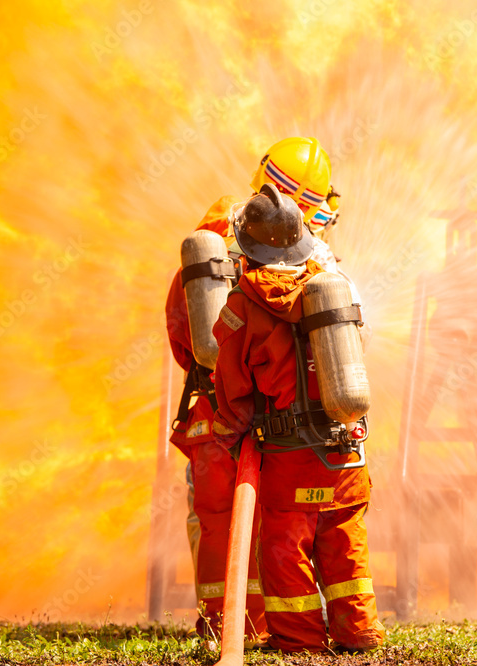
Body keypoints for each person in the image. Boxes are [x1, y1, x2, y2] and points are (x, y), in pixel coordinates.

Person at [164, 137, 340, 640]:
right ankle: (285, 625)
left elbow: (186, 331)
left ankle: (229, 628)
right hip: (286, 416)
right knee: (286, 521)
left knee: (219, 523)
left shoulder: (212, 240)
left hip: (219, 411)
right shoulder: (308, 259)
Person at [210, 183, 385, 653]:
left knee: (286, 552)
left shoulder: (242, 306)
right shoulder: (334, 286)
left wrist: (235, 431)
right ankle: (359, 632)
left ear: (249, 249)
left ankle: (300, 641)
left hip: (290, 460)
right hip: (347, 451)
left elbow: (231, 384)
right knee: (345, 544)